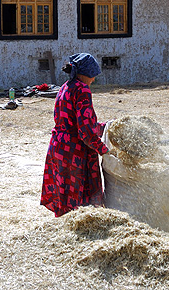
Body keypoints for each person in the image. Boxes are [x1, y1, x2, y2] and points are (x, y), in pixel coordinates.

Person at [41, 53, 109, 217]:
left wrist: (107, 127)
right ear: (86, 73)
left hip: (59, 147)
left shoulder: (65, 87)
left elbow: (73, 122)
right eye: (92, 76)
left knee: (64, 194)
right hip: (75, 152)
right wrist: (104, 149)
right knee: (79, 203)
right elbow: (85, 131)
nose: (93, 80)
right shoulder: (82, 89)